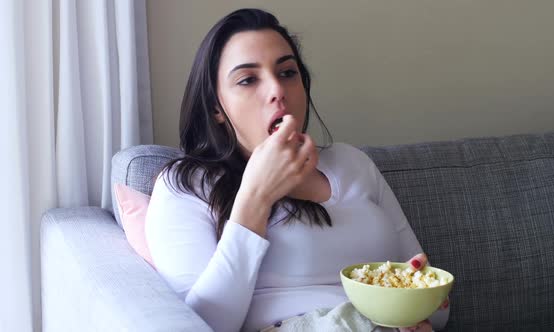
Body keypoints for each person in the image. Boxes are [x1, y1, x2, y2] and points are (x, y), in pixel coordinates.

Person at [145, 8, 450, 332]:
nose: (277, 90)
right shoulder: (187, 185)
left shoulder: (352, 164)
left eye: (287, 72)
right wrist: (256, 198)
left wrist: (419, 306)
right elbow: (202, 324)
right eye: (248, 79)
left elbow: (438, 308)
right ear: (217, 108)